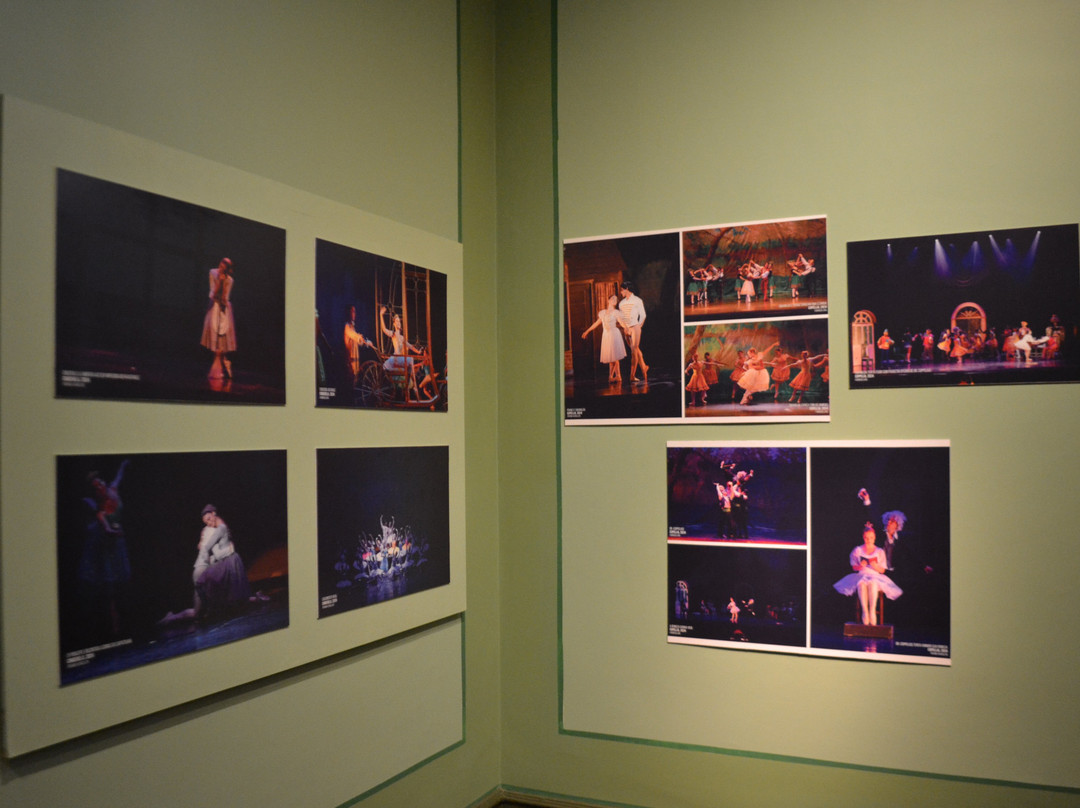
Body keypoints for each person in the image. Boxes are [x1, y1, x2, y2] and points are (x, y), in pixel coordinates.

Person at [79, 460, 133, 637]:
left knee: (123, 582)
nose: (101, 486)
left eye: (101, 483)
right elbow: (108, 530)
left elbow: (118, 477)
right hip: (108, 548)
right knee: (110, 588)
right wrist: (116, 532)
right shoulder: (100, 510)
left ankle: (125, 622)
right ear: (95, 492)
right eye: (97, 486)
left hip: (118, 546)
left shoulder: (113, 490)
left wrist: (124, 464)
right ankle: (114, 628)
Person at [833, 522, 903, 626]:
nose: (869, 540)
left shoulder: (879, 551)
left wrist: (875, 566)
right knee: (861, 584)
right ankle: (865, 612)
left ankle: (872, 611)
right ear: (863, 538)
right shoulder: (858, 550)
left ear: (874, 538)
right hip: (862, 574)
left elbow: (882, 570)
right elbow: (854, 567)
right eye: (866, 538)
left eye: (871, 538)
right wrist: (860, 566)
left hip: (875, 575)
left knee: (872, 584)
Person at [200, 258, 237, 380]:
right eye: (222, 262)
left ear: (228, 268)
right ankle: (224, 361)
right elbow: (213, 294)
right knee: (214, 335)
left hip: (223, 308)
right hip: (214, 305)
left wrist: (224, 283)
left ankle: (221, 363)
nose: (222, 265)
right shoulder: (213, 272)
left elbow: (225, 298)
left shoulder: (230, 280)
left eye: (226, 264)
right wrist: (220, 282)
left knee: (222, 337)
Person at [581, 294, 627, 382]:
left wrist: (627, 328)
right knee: (611, 357)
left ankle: (617, 376)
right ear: (608, 300)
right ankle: (612, 377)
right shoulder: (603, 313)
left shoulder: (616, 312)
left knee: (615, 357)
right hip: (606, 335)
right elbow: (596, 323)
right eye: (613, 299)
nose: (614, 300)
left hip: (614, 334)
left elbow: (621, 323)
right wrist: (587, 331)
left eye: (616, 299)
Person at [380, 305, 424, 395]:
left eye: (399, 321)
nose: (399, 323)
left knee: (410, 362)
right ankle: (414, 387)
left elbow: (410, 346)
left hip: (399, 359)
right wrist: (381, 315)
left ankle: (409, 385)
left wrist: (418, 352)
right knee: (410, 360)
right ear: (394, 324)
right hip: (395, 358)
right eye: (397, 322)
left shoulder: (402, 337)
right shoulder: (393, 334)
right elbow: (384, 329)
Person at [617, 282, 648, 383]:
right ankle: (644, 366)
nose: (621, 292)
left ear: (626, 289)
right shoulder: (621, 303)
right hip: (626, 328)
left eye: (622, 290)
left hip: (635, 327)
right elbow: (621, 317)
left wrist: (638, 326)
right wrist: (625, 327)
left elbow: (643, 315)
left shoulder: (637, 300)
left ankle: (632, 376)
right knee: (635, 349)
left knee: (634, 351)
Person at [344, 305, 370, 382]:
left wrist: (366, 343)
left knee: (355, 378)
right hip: (350, 359)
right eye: (352, 312)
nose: (354, 314)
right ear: (348, 313)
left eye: (354, 312)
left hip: (355, 357)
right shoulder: (347, 327)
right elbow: (355, 336)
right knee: (351, 379)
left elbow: (358, 341)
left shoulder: (352, 327)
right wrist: (364, 341)